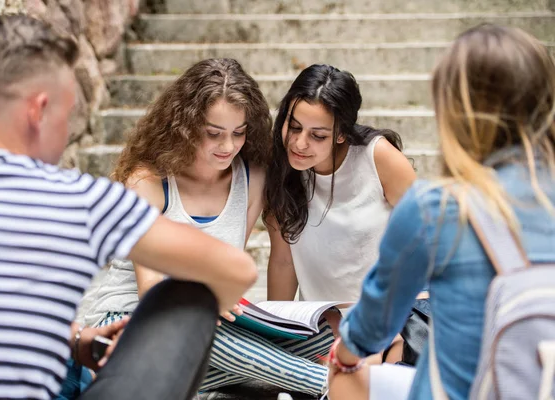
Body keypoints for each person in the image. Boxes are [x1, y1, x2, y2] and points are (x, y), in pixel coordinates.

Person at [0, 15, 258, 400]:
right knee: (189, 298)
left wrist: (79, 339)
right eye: (67, 115)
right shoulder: (79, 198)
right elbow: (238, 270)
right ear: (38, 111)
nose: (66, 133)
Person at [82, 58, 334, 397]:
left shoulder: (252, 179)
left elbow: (245, 262)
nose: (228, 146)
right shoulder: (149, 182)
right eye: (213, 133)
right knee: (196, 324)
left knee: (325, 334)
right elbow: (152, 290)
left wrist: (262, 320)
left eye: (238, 133)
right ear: (185, 127)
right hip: (134, 323)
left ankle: (204, 389)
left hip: (207, 330)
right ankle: (333, 385)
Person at [329, 24, 555, 400]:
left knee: (345, 372)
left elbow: (371, 329)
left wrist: (344, 353)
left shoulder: (436, 208)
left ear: (456, 112)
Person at [263, 64, 416, 329]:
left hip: (389, 325)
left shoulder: (378, 158)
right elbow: (283, 261)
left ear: (341, 133)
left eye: (317, 135)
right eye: (294, 127)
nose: (299, 143)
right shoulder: (280, 171)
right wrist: (277, 332)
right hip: (320, 331)